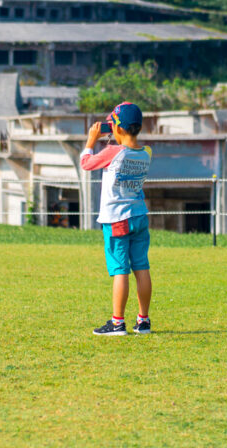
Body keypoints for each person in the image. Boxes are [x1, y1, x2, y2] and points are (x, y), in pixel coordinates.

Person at [80, 101, 152, 336]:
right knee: (141, 266)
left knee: (120, 269)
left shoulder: (113, 152)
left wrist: (91, 142)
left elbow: (86, 164)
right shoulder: (146, 153)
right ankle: (143, 320)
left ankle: (117, 322)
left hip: (117, 220)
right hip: (139, 215)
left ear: (118, 128)